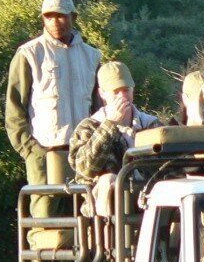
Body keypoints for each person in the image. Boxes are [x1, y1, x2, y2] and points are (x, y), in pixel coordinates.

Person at [5, 0, 101, 230]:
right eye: (49, 16)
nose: (55, 22)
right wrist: (30, 149)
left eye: (61, 16)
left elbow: (99, 108)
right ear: (42, 19)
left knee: (82, 224)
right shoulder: (29, 53)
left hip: (82, 155)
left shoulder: (92, 56)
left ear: (73, 17)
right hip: (44, 152)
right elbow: (14, 107)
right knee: (45, 226)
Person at [68, 61, 160, 217]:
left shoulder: (151, 125)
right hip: (104, 207)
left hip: (146, 195)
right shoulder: (88, 127)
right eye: (116, 91)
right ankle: (109, 240)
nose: (123, 96)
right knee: (109, 181)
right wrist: (110, 125)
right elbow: (85, 168)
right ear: (102, 93)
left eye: (126, 90)